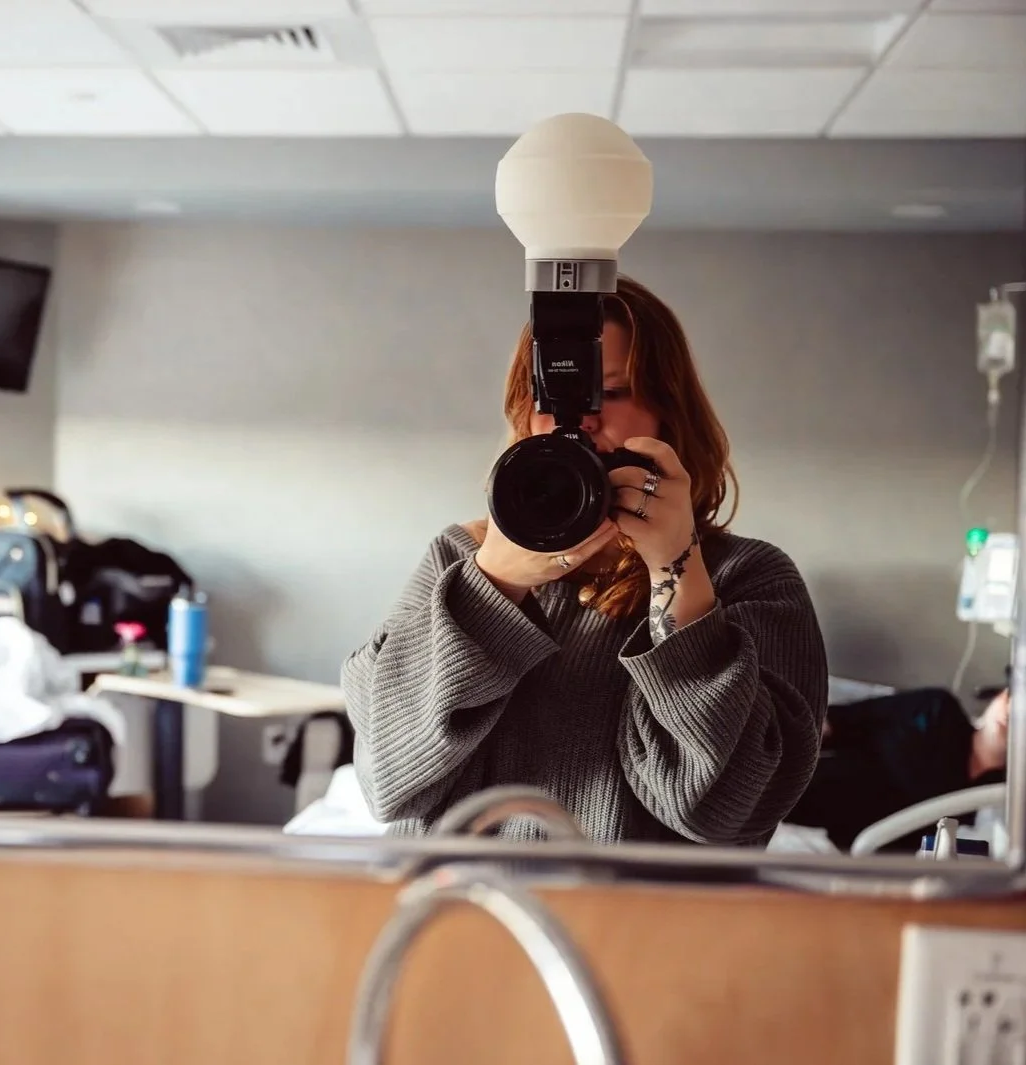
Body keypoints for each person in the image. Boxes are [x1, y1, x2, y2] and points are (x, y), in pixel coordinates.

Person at [342, 276, 829, 845]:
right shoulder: (460, 557)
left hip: (639, 928)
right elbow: (388, 780)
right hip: (462, 918)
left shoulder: (748, 579)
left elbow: (723, 814)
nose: (579, 420)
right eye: (551, 396)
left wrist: (676, 569)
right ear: (524, 412)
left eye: (611, 392)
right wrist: (494, 585)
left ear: (667, 412)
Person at [788, 686, 1010, 852]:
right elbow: (841, 719)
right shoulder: (938, 709)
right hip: (800, 772)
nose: (1011, 713)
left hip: (847, 852)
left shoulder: (996, 807)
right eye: (1013, 697)